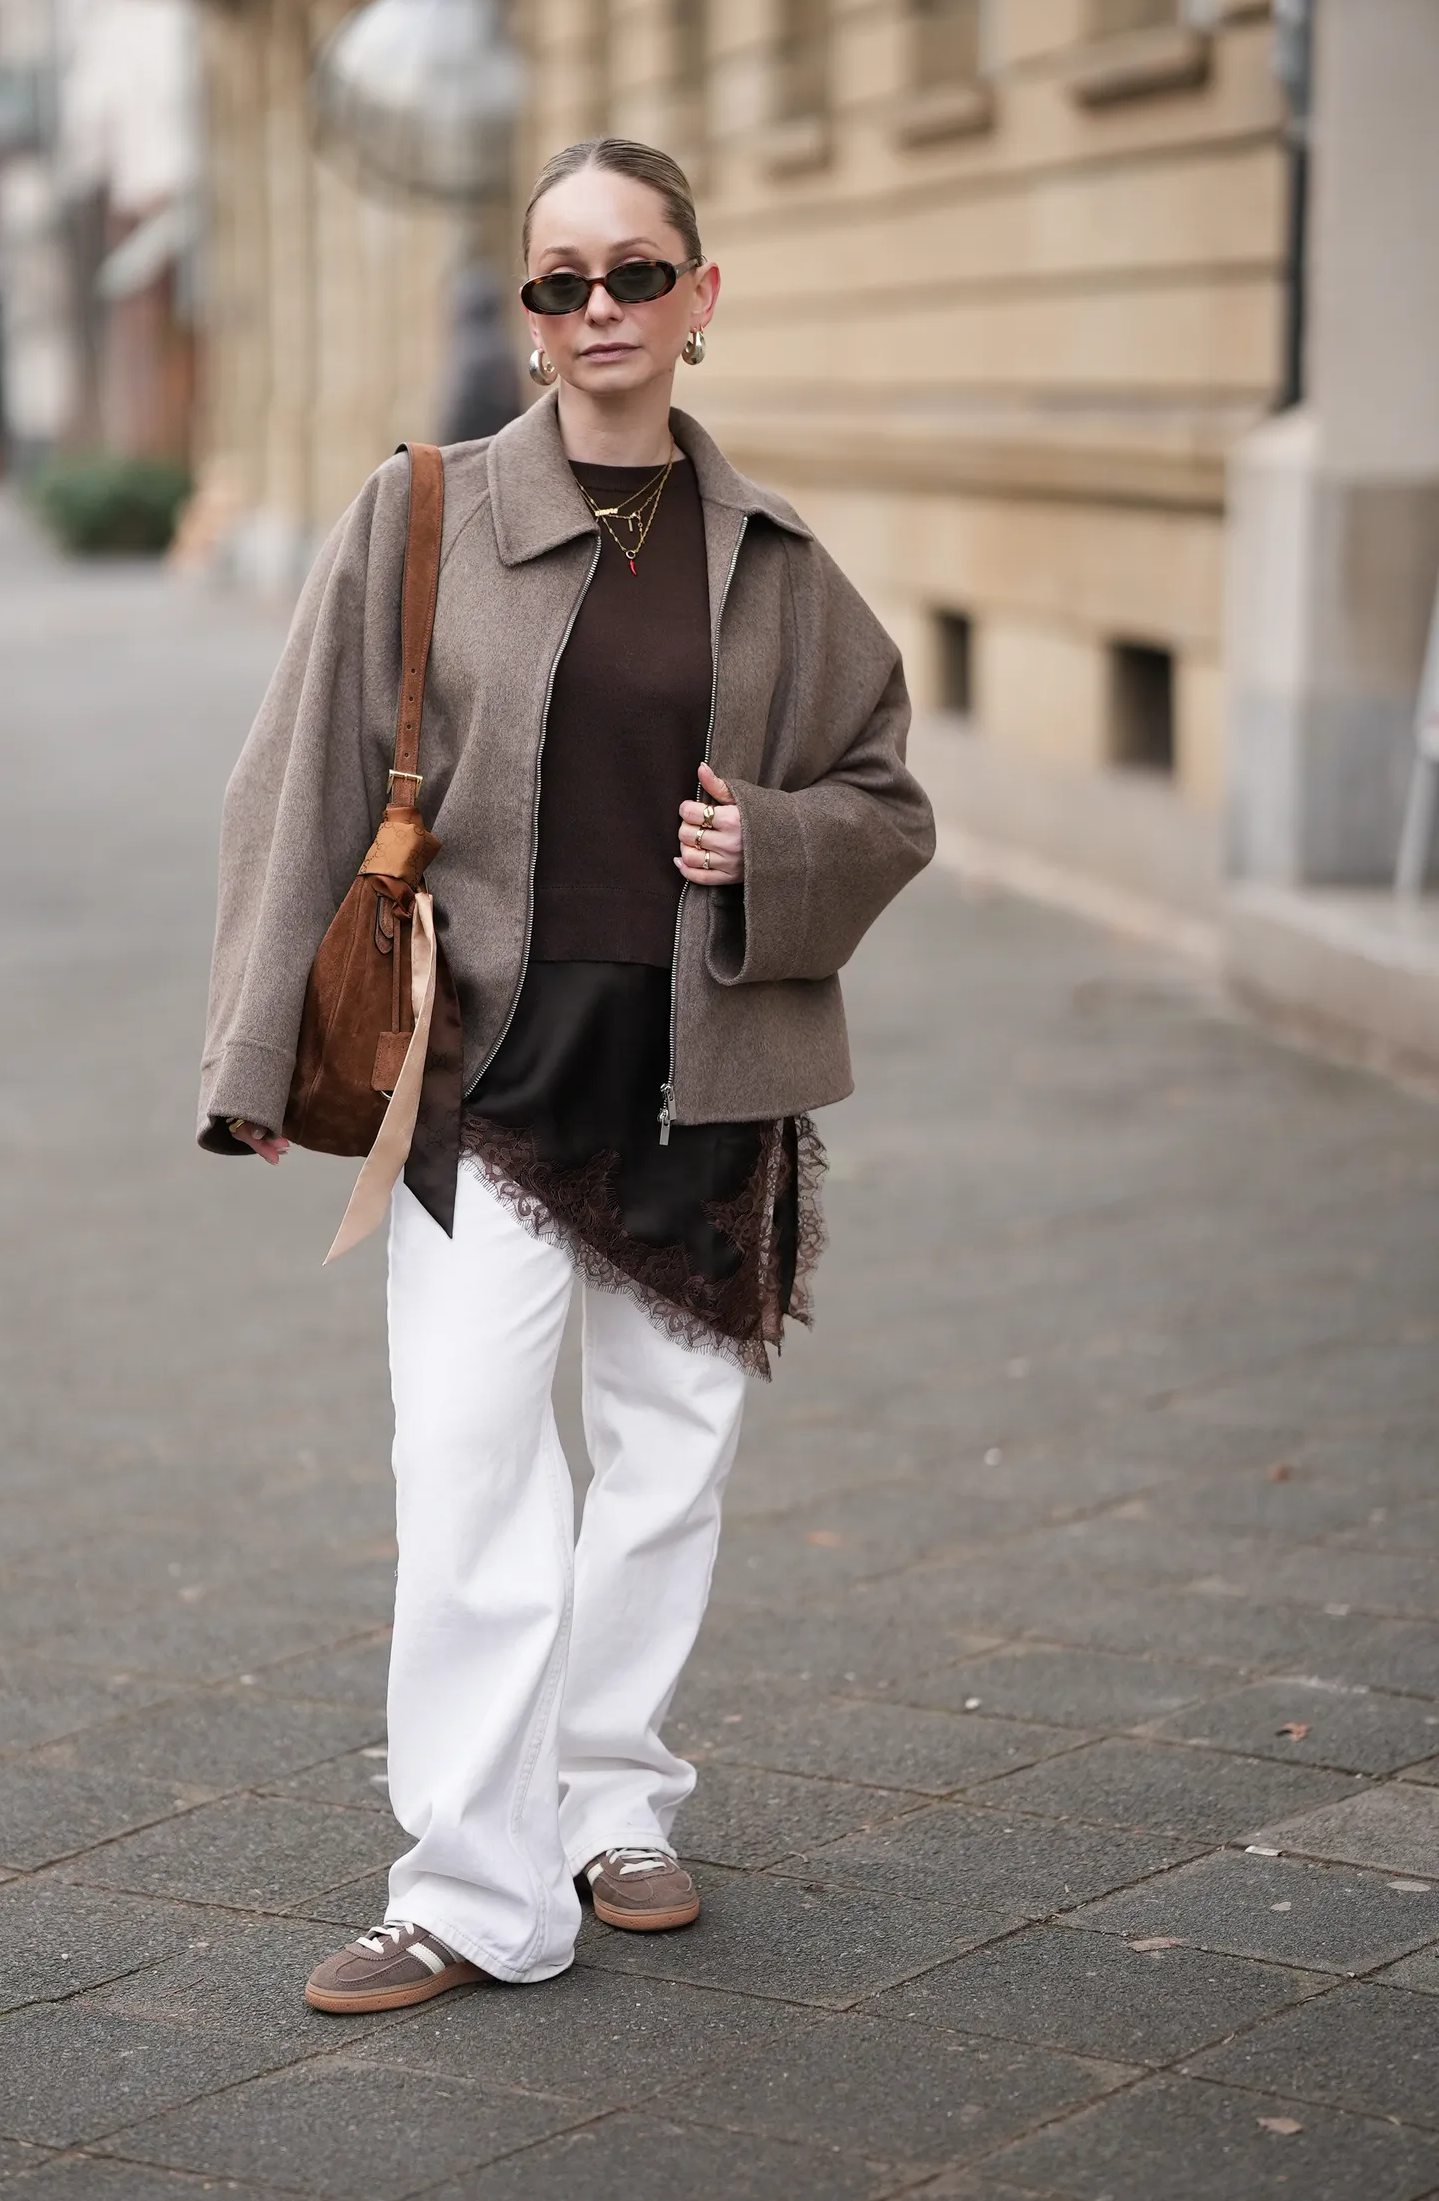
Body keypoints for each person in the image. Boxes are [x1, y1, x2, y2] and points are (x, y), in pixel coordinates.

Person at [198, 136, 935, 2013]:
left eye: (633, 274)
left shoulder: (778, 562)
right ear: (529, 322)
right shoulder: (423, 511)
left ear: (702, 297)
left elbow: (886, 800)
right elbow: (295, 787)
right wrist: (258, 1053)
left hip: (705, 1069)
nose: (596, 310)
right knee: (465, 1467)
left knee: (665, 1467)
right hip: (486, 1067)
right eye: (559, 282)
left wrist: (765, 841)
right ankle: (468, 1885)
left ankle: (616, 1800)